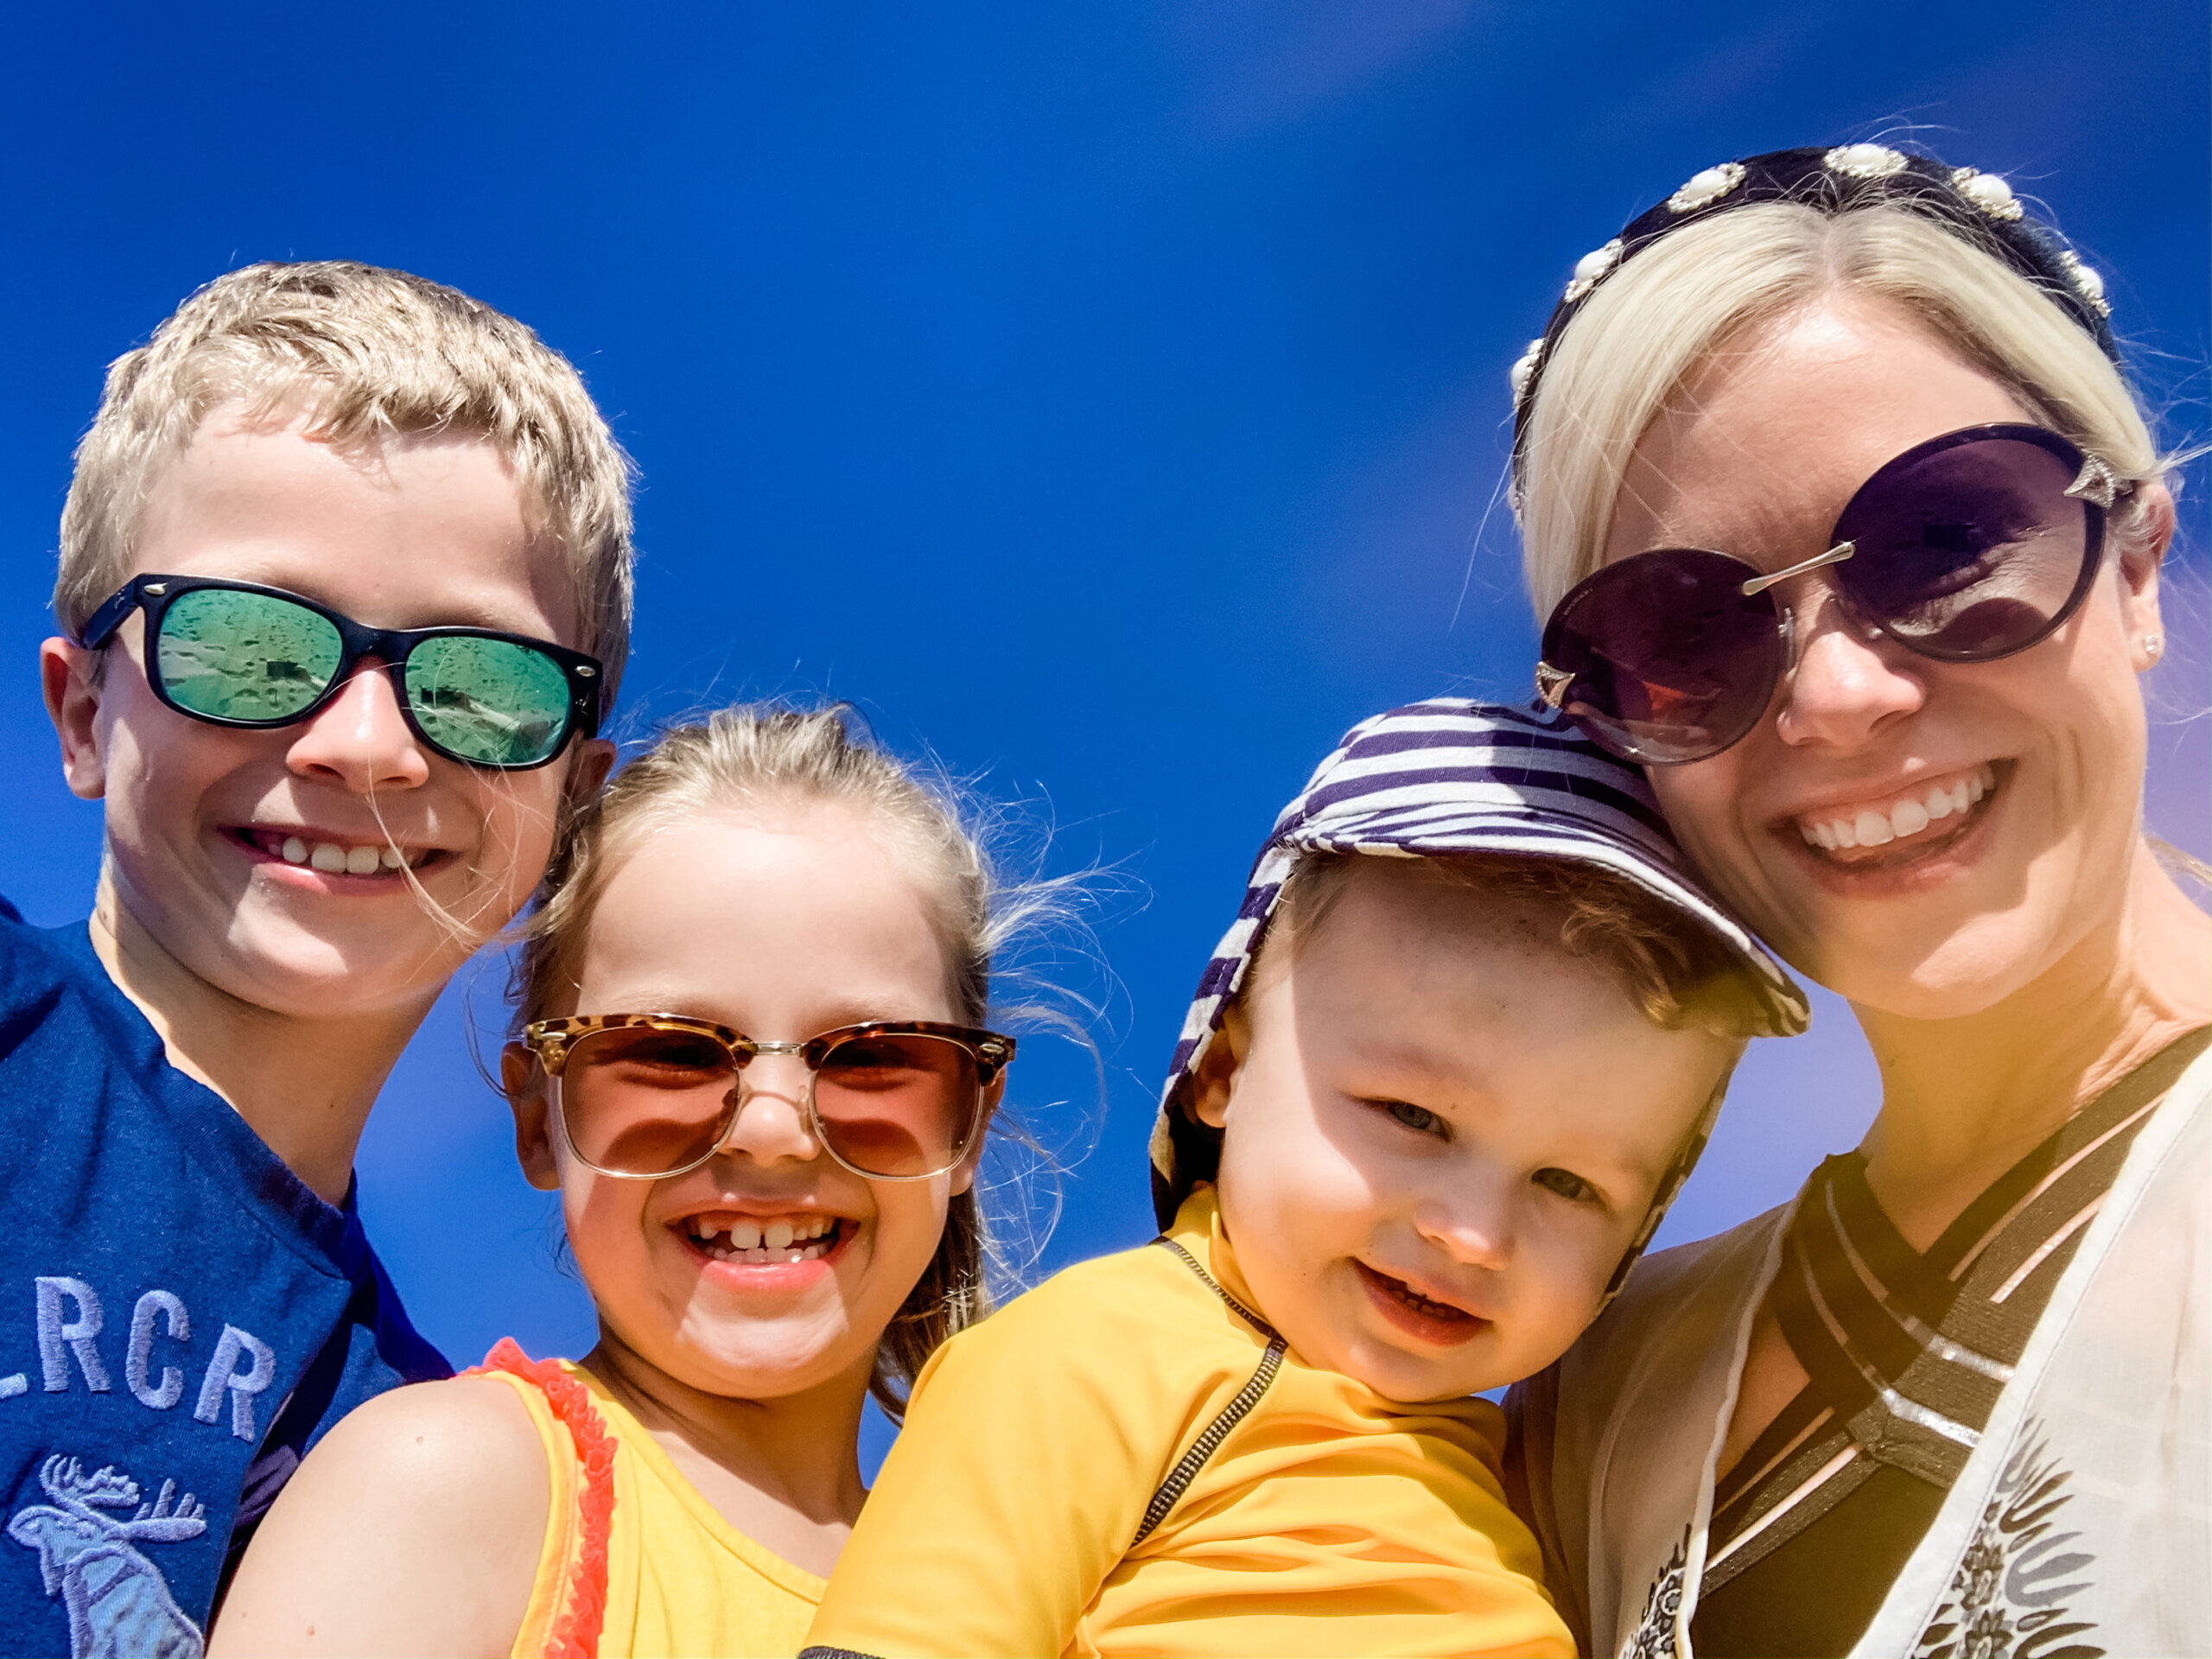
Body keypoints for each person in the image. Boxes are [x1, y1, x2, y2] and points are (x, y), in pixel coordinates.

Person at [1506, 145, 2212, 1657]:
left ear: (2141, 563)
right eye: (1684, 627)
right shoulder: (1600, 1398)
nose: (1836, 697)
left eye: (1945, 544)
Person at [799, 697, 1808, 1659]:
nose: (1472, 1232)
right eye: (1414, 1117)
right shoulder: (1103, 1355)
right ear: (1223, 1070)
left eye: (1569, 1185)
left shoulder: (1538, 1469)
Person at [3, 261, 633, 1657]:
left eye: (478, 683)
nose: (364, 743)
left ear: (572, 805)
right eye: (244, 645)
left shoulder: (415, 1448)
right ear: (83, 710)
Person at [210, 705, 1061, 1658]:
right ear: (542, 1118)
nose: (772, 1133)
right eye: (666, 1052)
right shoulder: (455, 1491)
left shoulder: (1041, 1612)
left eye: (873, 1058)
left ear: (967, 1120)